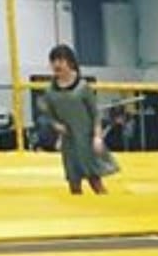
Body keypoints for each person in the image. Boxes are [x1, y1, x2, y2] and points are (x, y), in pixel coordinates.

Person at [40, 45, 111, 195]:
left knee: (95, 181)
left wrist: (97, 137)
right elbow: (49, 115)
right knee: (74, 182)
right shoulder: (50, 91)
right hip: (69, 142)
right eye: (53, 61)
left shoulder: (82, 87)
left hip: (86, 141)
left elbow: (95, 114)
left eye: (60, 61)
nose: (56, 65)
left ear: (70, 63)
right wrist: (57, 126)